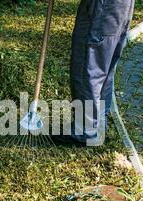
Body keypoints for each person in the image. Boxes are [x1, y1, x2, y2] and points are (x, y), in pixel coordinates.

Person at [52, 0, 135, 147]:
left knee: (88, 69)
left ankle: (85, 131)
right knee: (105, 71)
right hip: (121, 9)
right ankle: (98, 125)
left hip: (101, 10)